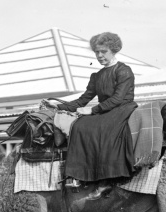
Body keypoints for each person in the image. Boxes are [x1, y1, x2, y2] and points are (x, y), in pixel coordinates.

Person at [51, 32, 137, 201]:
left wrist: (93, 110)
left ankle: (107, 179)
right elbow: (83, 99)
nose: (99, 56)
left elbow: (118, 99)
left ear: (113, 50)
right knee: (79, 126)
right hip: (105, 111)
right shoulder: (97, 76)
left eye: (103, 51)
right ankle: (78, 176)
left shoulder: (124, 71)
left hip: (122, 109)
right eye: (97, 52)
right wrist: (58, 106)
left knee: (101, 128)